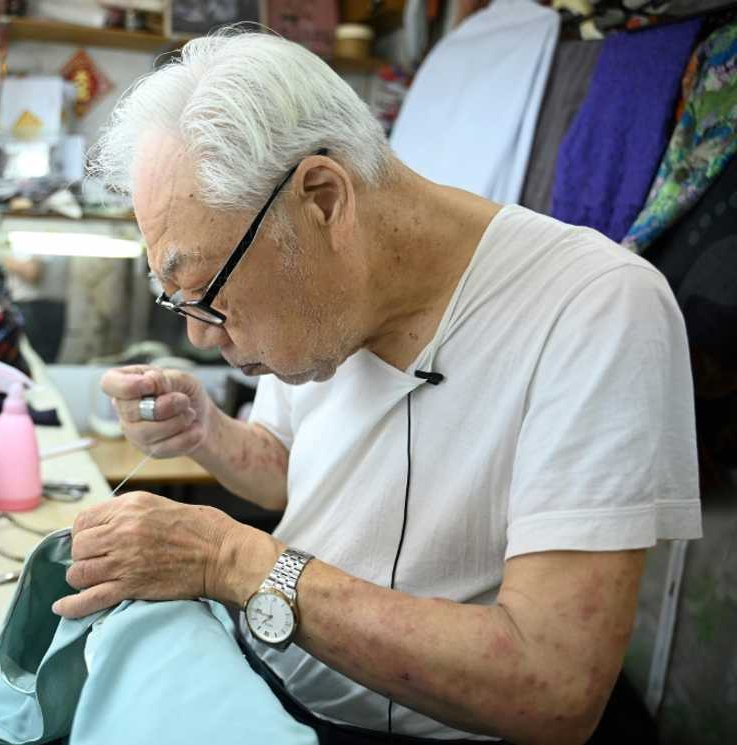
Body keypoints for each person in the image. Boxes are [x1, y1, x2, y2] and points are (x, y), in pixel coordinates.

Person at [52, 30, 701, 745]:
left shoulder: (595, 307)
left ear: (323, 200)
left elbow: (551, 685)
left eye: (207, 293)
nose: (201, 335)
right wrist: (209, 432)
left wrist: (233, 560)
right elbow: (291, 471)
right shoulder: (320, 290)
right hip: (267, 694)